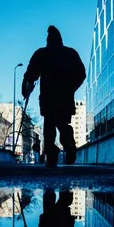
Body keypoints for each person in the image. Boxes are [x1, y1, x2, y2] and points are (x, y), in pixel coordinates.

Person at [22, 25, 86, 168]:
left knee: (49, 124)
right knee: (63, 124)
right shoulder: (70, 53)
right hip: (65, 97)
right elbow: (81, 73)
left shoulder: (42, 53)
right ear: (60, 39)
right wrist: (71, 88)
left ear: (48, 40)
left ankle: (51, 154)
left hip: (48, 96)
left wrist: (25, 87)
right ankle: (68, 142)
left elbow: (31, 72)